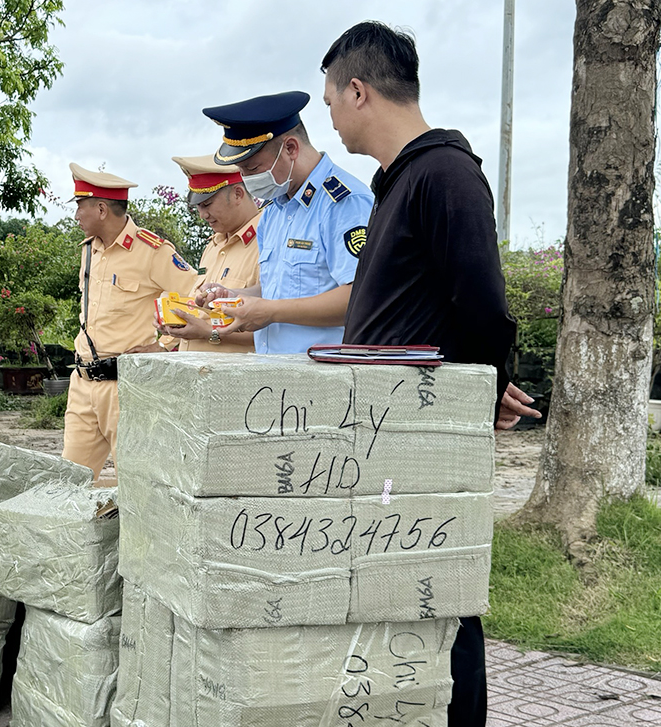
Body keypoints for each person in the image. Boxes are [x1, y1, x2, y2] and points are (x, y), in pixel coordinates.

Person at [320, 21, 542, 726]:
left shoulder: (445, 174)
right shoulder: (400, 184)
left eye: (329, 100)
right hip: (385, 440)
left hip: (421, 443)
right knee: (402, 604)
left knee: (440, 601)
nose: (329, 116)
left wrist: (476, 397)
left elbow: (484, 305)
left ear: (358, 91)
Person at [197, 91, 374, 353]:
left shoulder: (343, 202)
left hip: (323, 379)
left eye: (253, 168)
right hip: (273, 375)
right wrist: (234, 296)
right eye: (241, 171)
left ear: (290, 148)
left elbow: (360, 298)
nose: (246, 180)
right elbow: (278, 289)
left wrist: (271, 311)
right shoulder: (273, 211)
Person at [61, 163, 198, 476]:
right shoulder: (89, 250)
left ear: (101, 208)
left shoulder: (151, 251)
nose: (76, 215)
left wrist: (166, 346)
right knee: (69, 478)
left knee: (136, 481)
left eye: (80, 207)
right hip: (82, 384)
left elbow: (194, 294)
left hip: (125, 386)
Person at [156, 154, 260, 352]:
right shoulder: (213, 245)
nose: (202, 215)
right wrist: (175, 319)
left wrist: (208, 332)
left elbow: (277, 328)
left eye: (207, 204)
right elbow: (204, 313)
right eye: (198, 207)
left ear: (238, 194)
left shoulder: (268, 241)